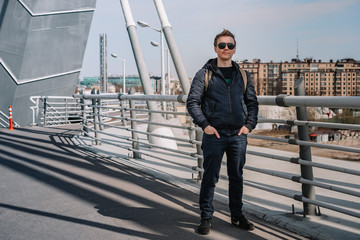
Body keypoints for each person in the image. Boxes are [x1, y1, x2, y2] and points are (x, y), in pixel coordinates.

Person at [186, 29, 259, 235]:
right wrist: (205, 125)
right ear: (215, 48)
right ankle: (206, 217)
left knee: (236, 176)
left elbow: (252, 103)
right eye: (222, 45)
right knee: (210, 177)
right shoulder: (205, 74)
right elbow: (193, 102)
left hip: (238, 134)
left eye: (230, 45)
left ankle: (237, 216)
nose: (226, 48)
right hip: (214, 134)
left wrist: (248, 126)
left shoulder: (243, 75)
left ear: (235, 49)